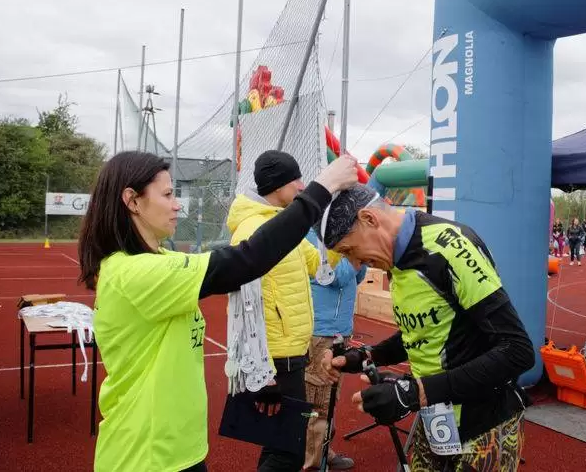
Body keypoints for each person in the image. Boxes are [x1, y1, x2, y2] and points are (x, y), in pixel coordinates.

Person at [80, 150, 358, 472]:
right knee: (285, 450)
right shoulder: (135, 273)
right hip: (145, 455)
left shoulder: (160, 260)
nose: (177, 205)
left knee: (284, 449)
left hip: (177, 449)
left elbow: (250, 261)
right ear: (132, 201)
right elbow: (247, 260)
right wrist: (323, 187)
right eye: (168, 194)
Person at [317, 184, 535, 470]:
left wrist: (414, 392)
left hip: (483, 423)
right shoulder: (395, 257)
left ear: (369, 219)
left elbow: (518, 351)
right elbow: (427, 329)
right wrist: (367, 356)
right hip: (436, 415)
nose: (356, 264)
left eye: (350, 250)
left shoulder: (450, 247)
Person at [226, 150, 348, 472]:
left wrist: (336, 233)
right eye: (296, 179)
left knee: (278, 444)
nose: (301, 185)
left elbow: (318, 265)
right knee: (288, 451)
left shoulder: (282, 227)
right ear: (278, 185)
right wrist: (262, 372)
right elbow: (243, 308)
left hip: (292, 352)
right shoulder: (253, 230)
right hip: (275, 360)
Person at [302, 230, 367, 470]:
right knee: (317, 402)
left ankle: (322, 451)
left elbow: (358, 276)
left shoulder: (340, 237)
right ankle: (313, 461)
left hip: (339, 331)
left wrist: (356, 255)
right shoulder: (312, 238)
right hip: (321, 331)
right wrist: (356, 253)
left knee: (330, 398)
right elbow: (337, 277)